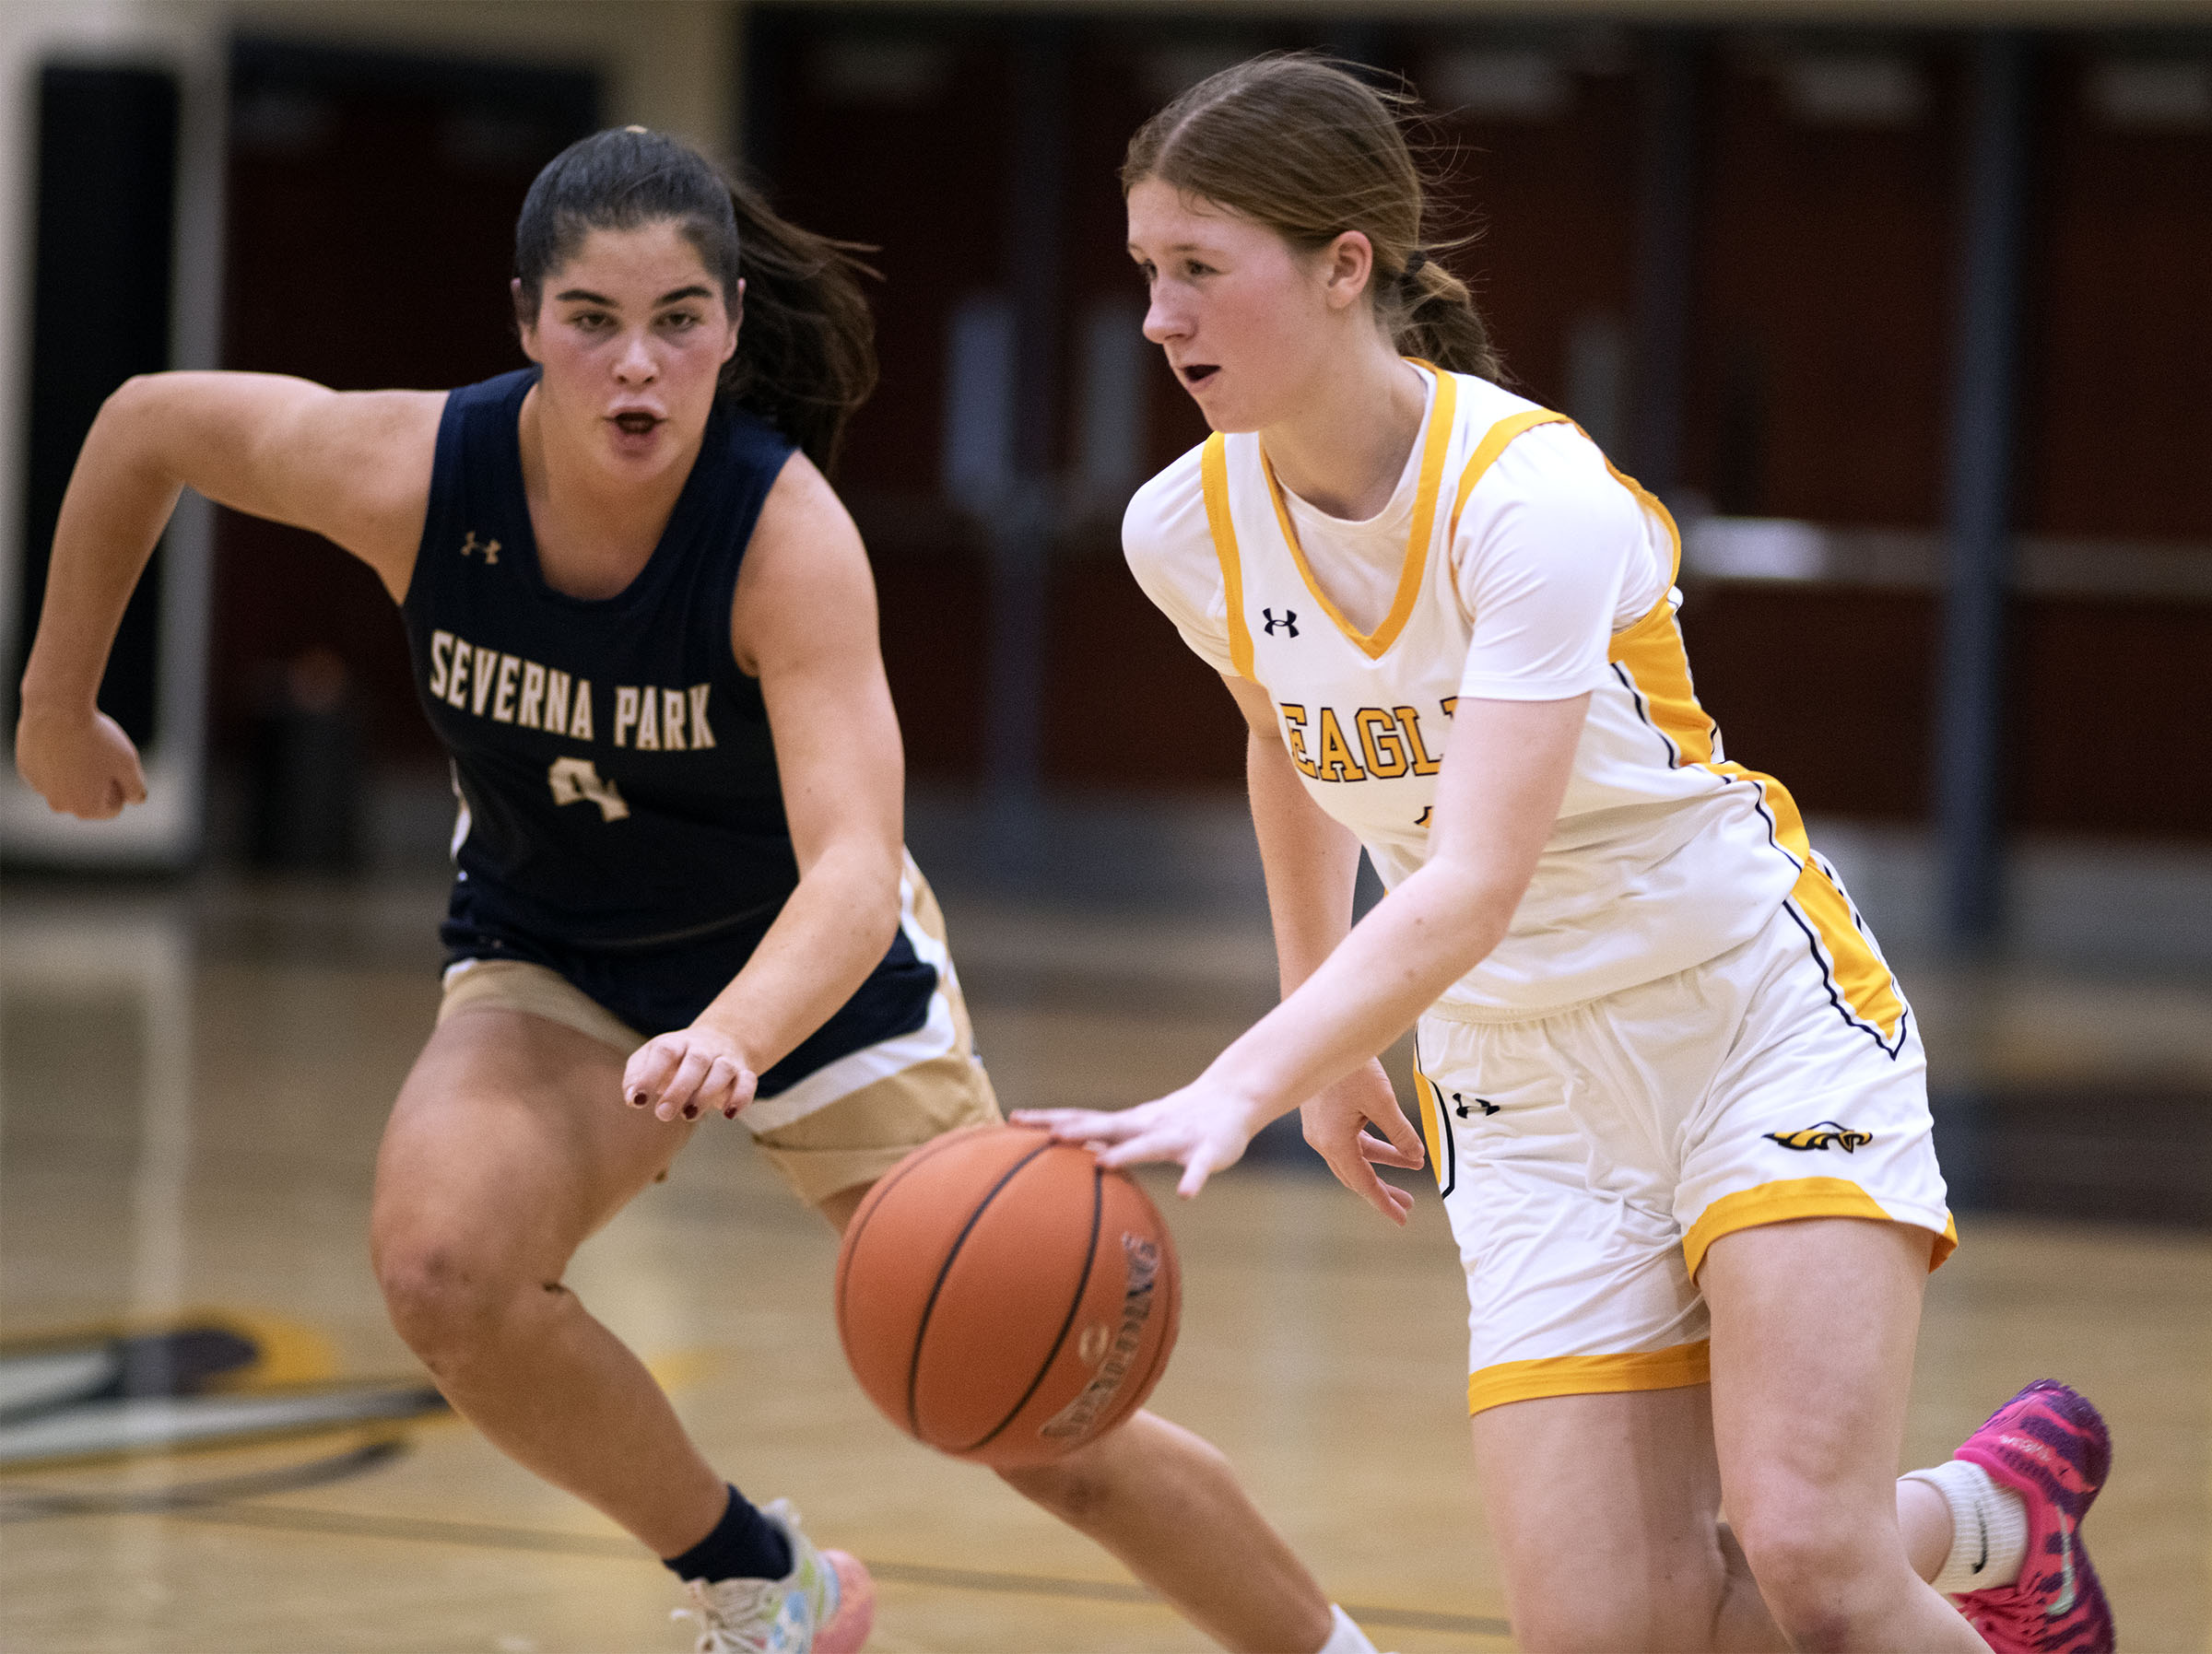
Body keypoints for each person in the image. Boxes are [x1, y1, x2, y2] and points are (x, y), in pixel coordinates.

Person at [14, 126, 1392, 1654]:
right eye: (591, 321)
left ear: (731, 324)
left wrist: (736, 1032)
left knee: (1041, 1419)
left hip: (818, 978)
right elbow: (144, 425)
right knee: (447, 1274)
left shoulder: (783, 540)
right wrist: (57, 699)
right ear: (527, 322)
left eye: (678, 320)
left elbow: (855, 869)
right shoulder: (415, 473)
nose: (637, 367)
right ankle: (768, 1586)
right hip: (558, 951)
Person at [1018, 56, 2114, 1654]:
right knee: (1619, 1628)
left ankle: (1968, 1530)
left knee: (1811, 1557)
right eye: (1144, 271)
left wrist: (1243, 1078)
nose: (1156, 318)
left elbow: (1474, 880)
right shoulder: (1182, 528)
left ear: (1343, 267)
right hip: (1520, 1089)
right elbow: (1286, 741)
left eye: (1197, 268)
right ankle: (2003, 1513)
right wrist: (1327, 1033)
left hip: (1742, 1014)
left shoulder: (1528, 495)